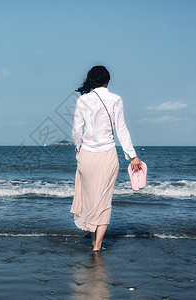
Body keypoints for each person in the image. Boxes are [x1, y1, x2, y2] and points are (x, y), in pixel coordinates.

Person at [71, 65, 142, 251]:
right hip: (107, 155)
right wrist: (132, 155)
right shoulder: (115, 99)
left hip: (86, 155)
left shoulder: (83, 100)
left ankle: (95, 242)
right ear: (107, 80)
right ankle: (97, 246)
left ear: (91, 80)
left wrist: (78, 148)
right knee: (103, 201)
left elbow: (77, 130)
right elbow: (121, 129)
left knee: (91, 200)